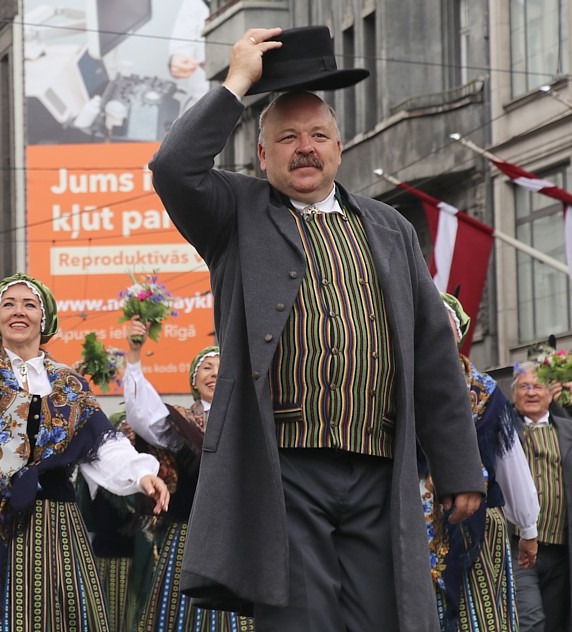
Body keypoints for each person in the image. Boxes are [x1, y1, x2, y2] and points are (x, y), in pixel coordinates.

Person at [149, 24, 486, 632]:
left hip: (380, 467)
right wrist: (237, 83)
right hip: (283, 467)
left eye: (317, 135)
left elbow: (433, 352)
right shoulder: (235, 214)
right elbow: (173, 167)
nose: (304, 148)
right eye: (287, 138)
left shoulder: (389, 229)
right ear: (261, 155)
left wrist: (460, 465)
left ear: (339, 147)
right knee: (304, 619)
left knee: (386, 618)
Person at [0, 209, 170, 632]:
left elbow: (104, 445)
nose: (18, 311)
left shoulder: (69, 384)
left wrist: (142, 476)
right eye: (8, 304)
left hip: (56, 521)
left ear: (44, 321)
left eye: (30, 304)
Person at [122, 317, 254, 631]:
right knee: (181, 616)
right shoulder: (183, 424)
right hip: (190, 536)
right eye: (205, 368)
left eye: (221, 366)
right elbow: (144, 416)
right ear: (193, 382)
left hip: (241, 536)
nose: (214, 373)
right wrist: (134, 355)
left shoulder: (251, 422)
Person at [420, 294, 539, 632]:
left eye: (444, 329)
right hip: (410, 524)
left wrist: (528, 528)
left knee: (486, 621)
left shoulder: (484, 389)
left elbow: (510, 462)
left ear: (457, 335)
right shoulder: (398, 384)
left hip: (477, 525)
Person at [510, 361, 572, 632]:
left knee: (558, 623)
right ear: (514, 394)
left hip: (560, 552)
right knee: (531, 622)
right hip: (518, 550)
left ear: (551, 393)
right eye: (524, 386)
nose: (531, 393)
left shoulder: (567, 430)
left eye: (538, 386)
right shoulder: (503, 430)